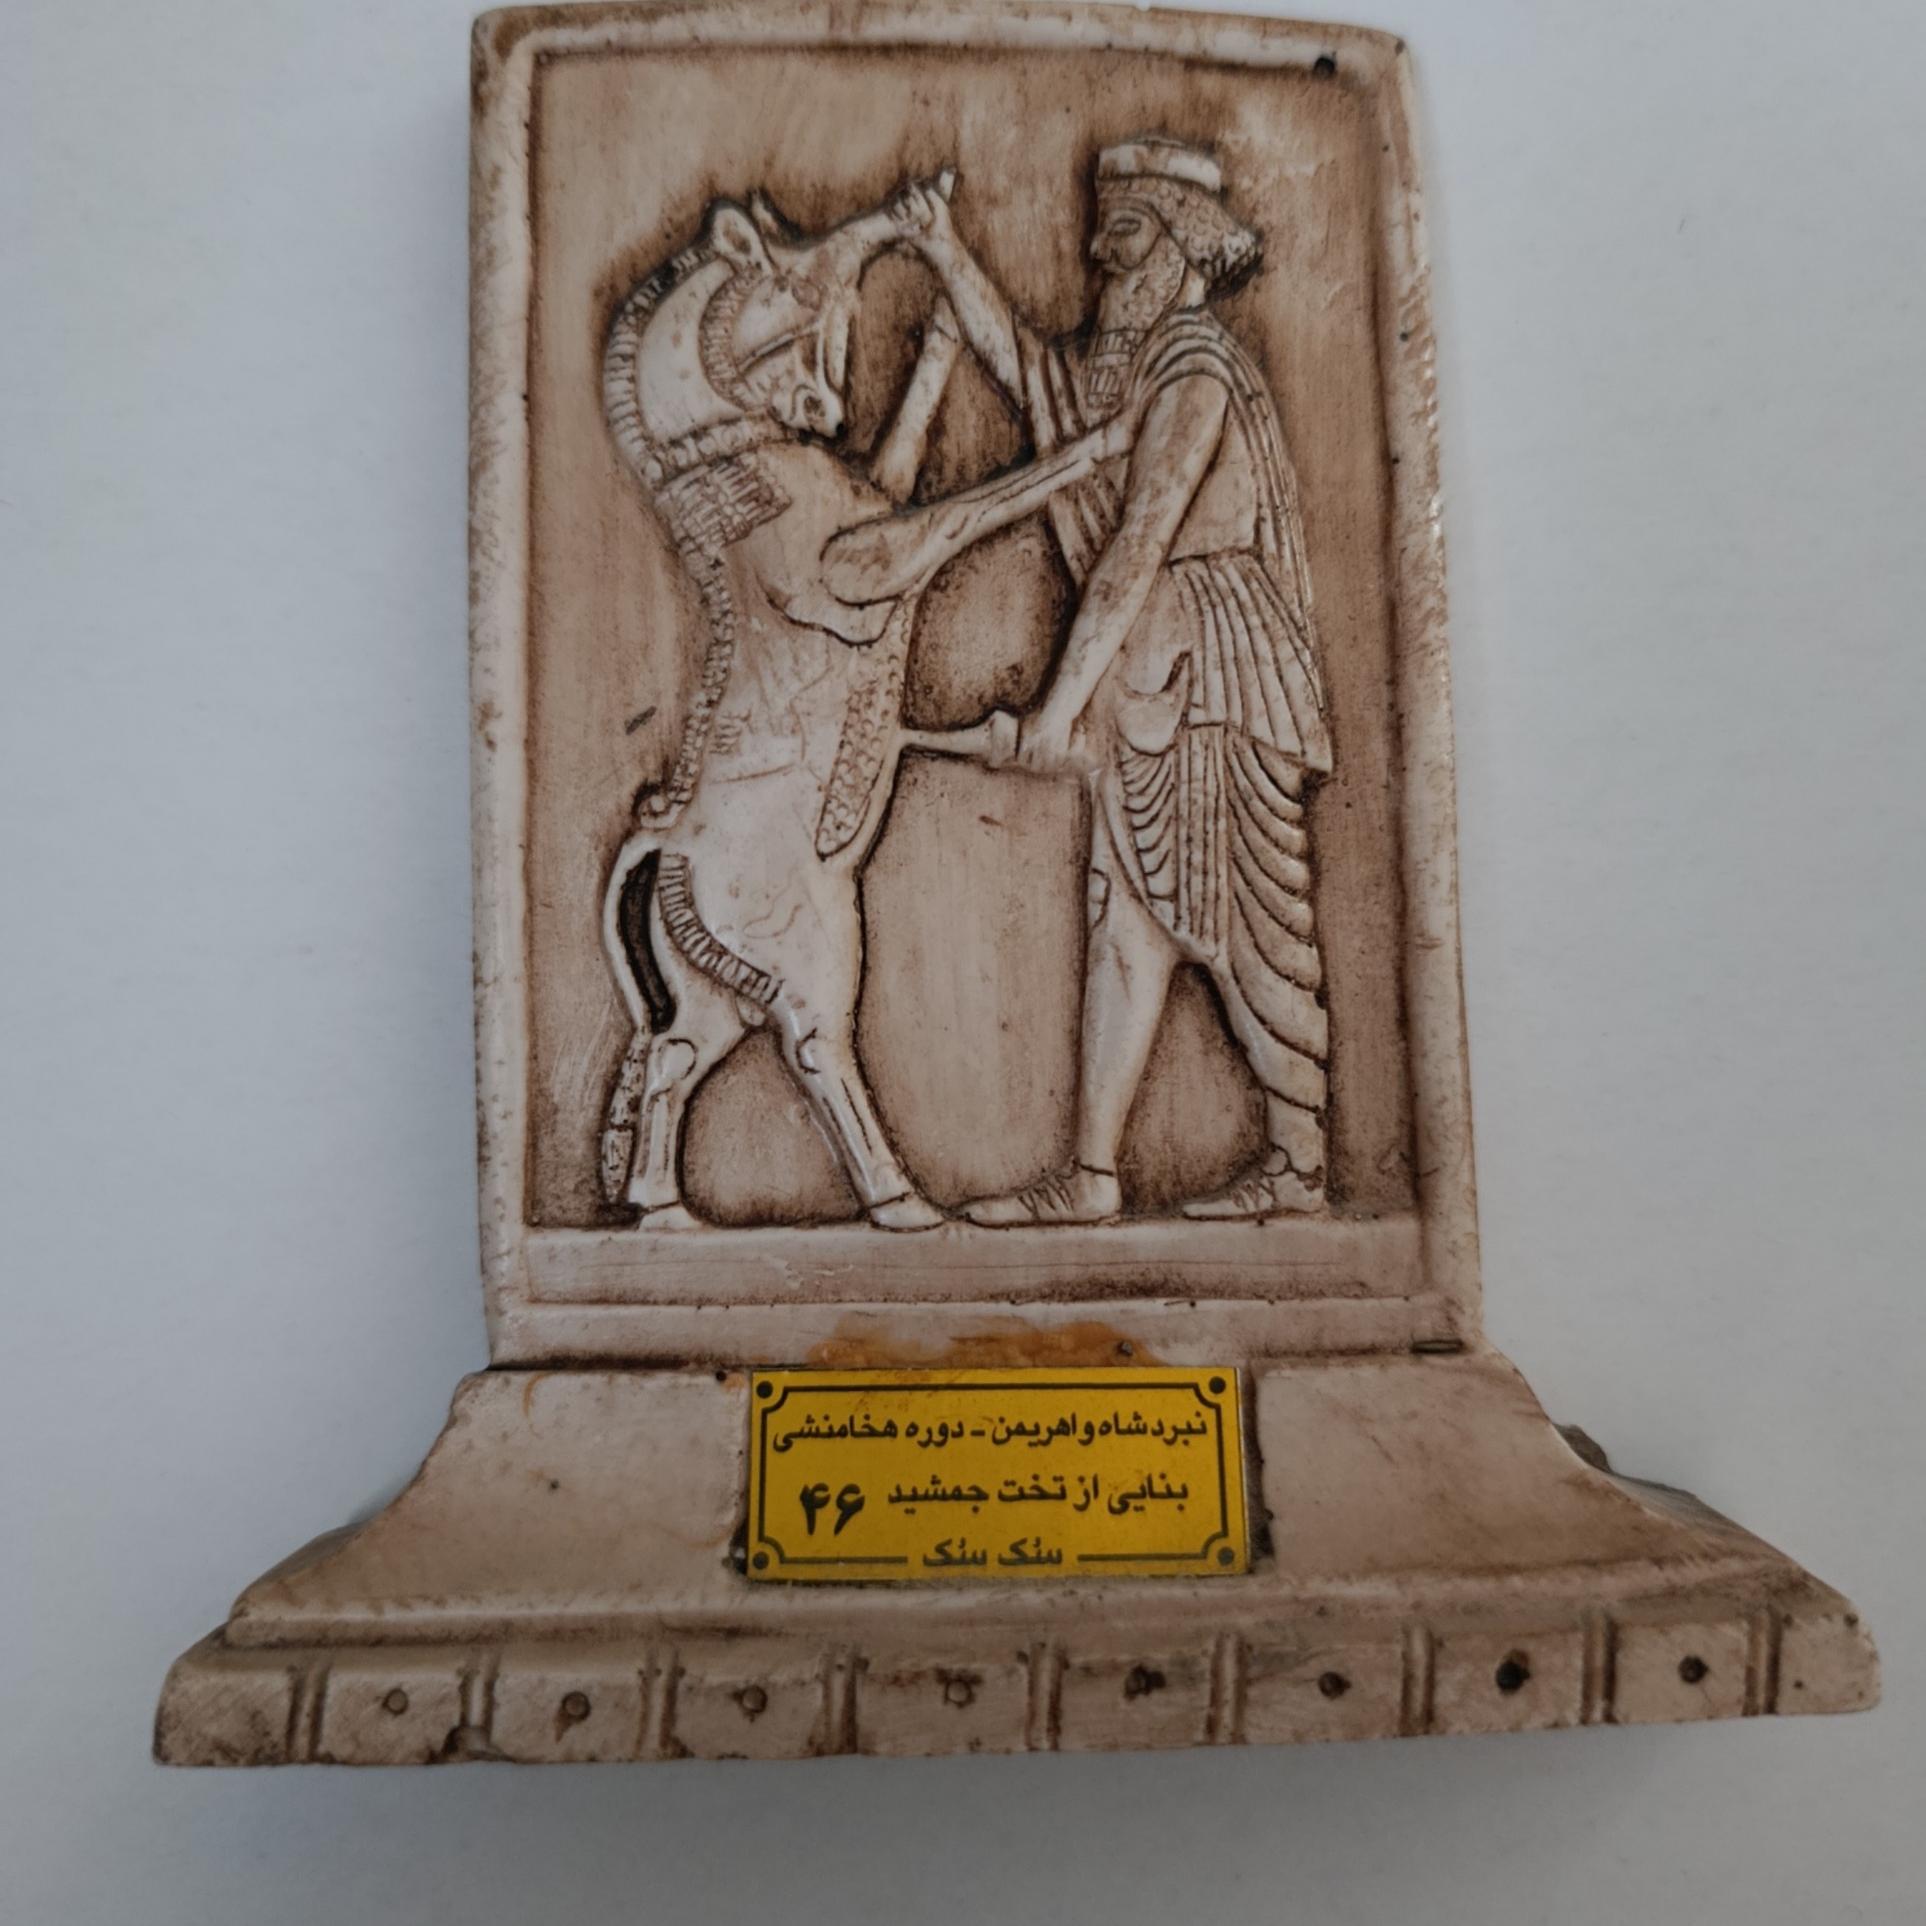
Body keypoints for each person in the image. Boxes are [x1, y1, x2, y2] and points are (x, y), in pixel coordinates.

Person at [893, 137, 1334, 1222]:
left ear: (1182, 244)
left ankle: (1304, 1161)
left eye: (1124, 231)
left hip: (1215, 676)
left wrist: (1054, 710)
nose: (1098, 253)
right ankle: (1091, 1174)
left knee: (1242, 918)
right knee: (1125, 914)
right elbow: (1025, 371)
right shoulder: (1125, 372)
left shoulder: (1195, 371)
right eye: (1099, 231)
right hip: (1148, 679)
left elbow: (1136, 548)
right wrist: (944, 249)